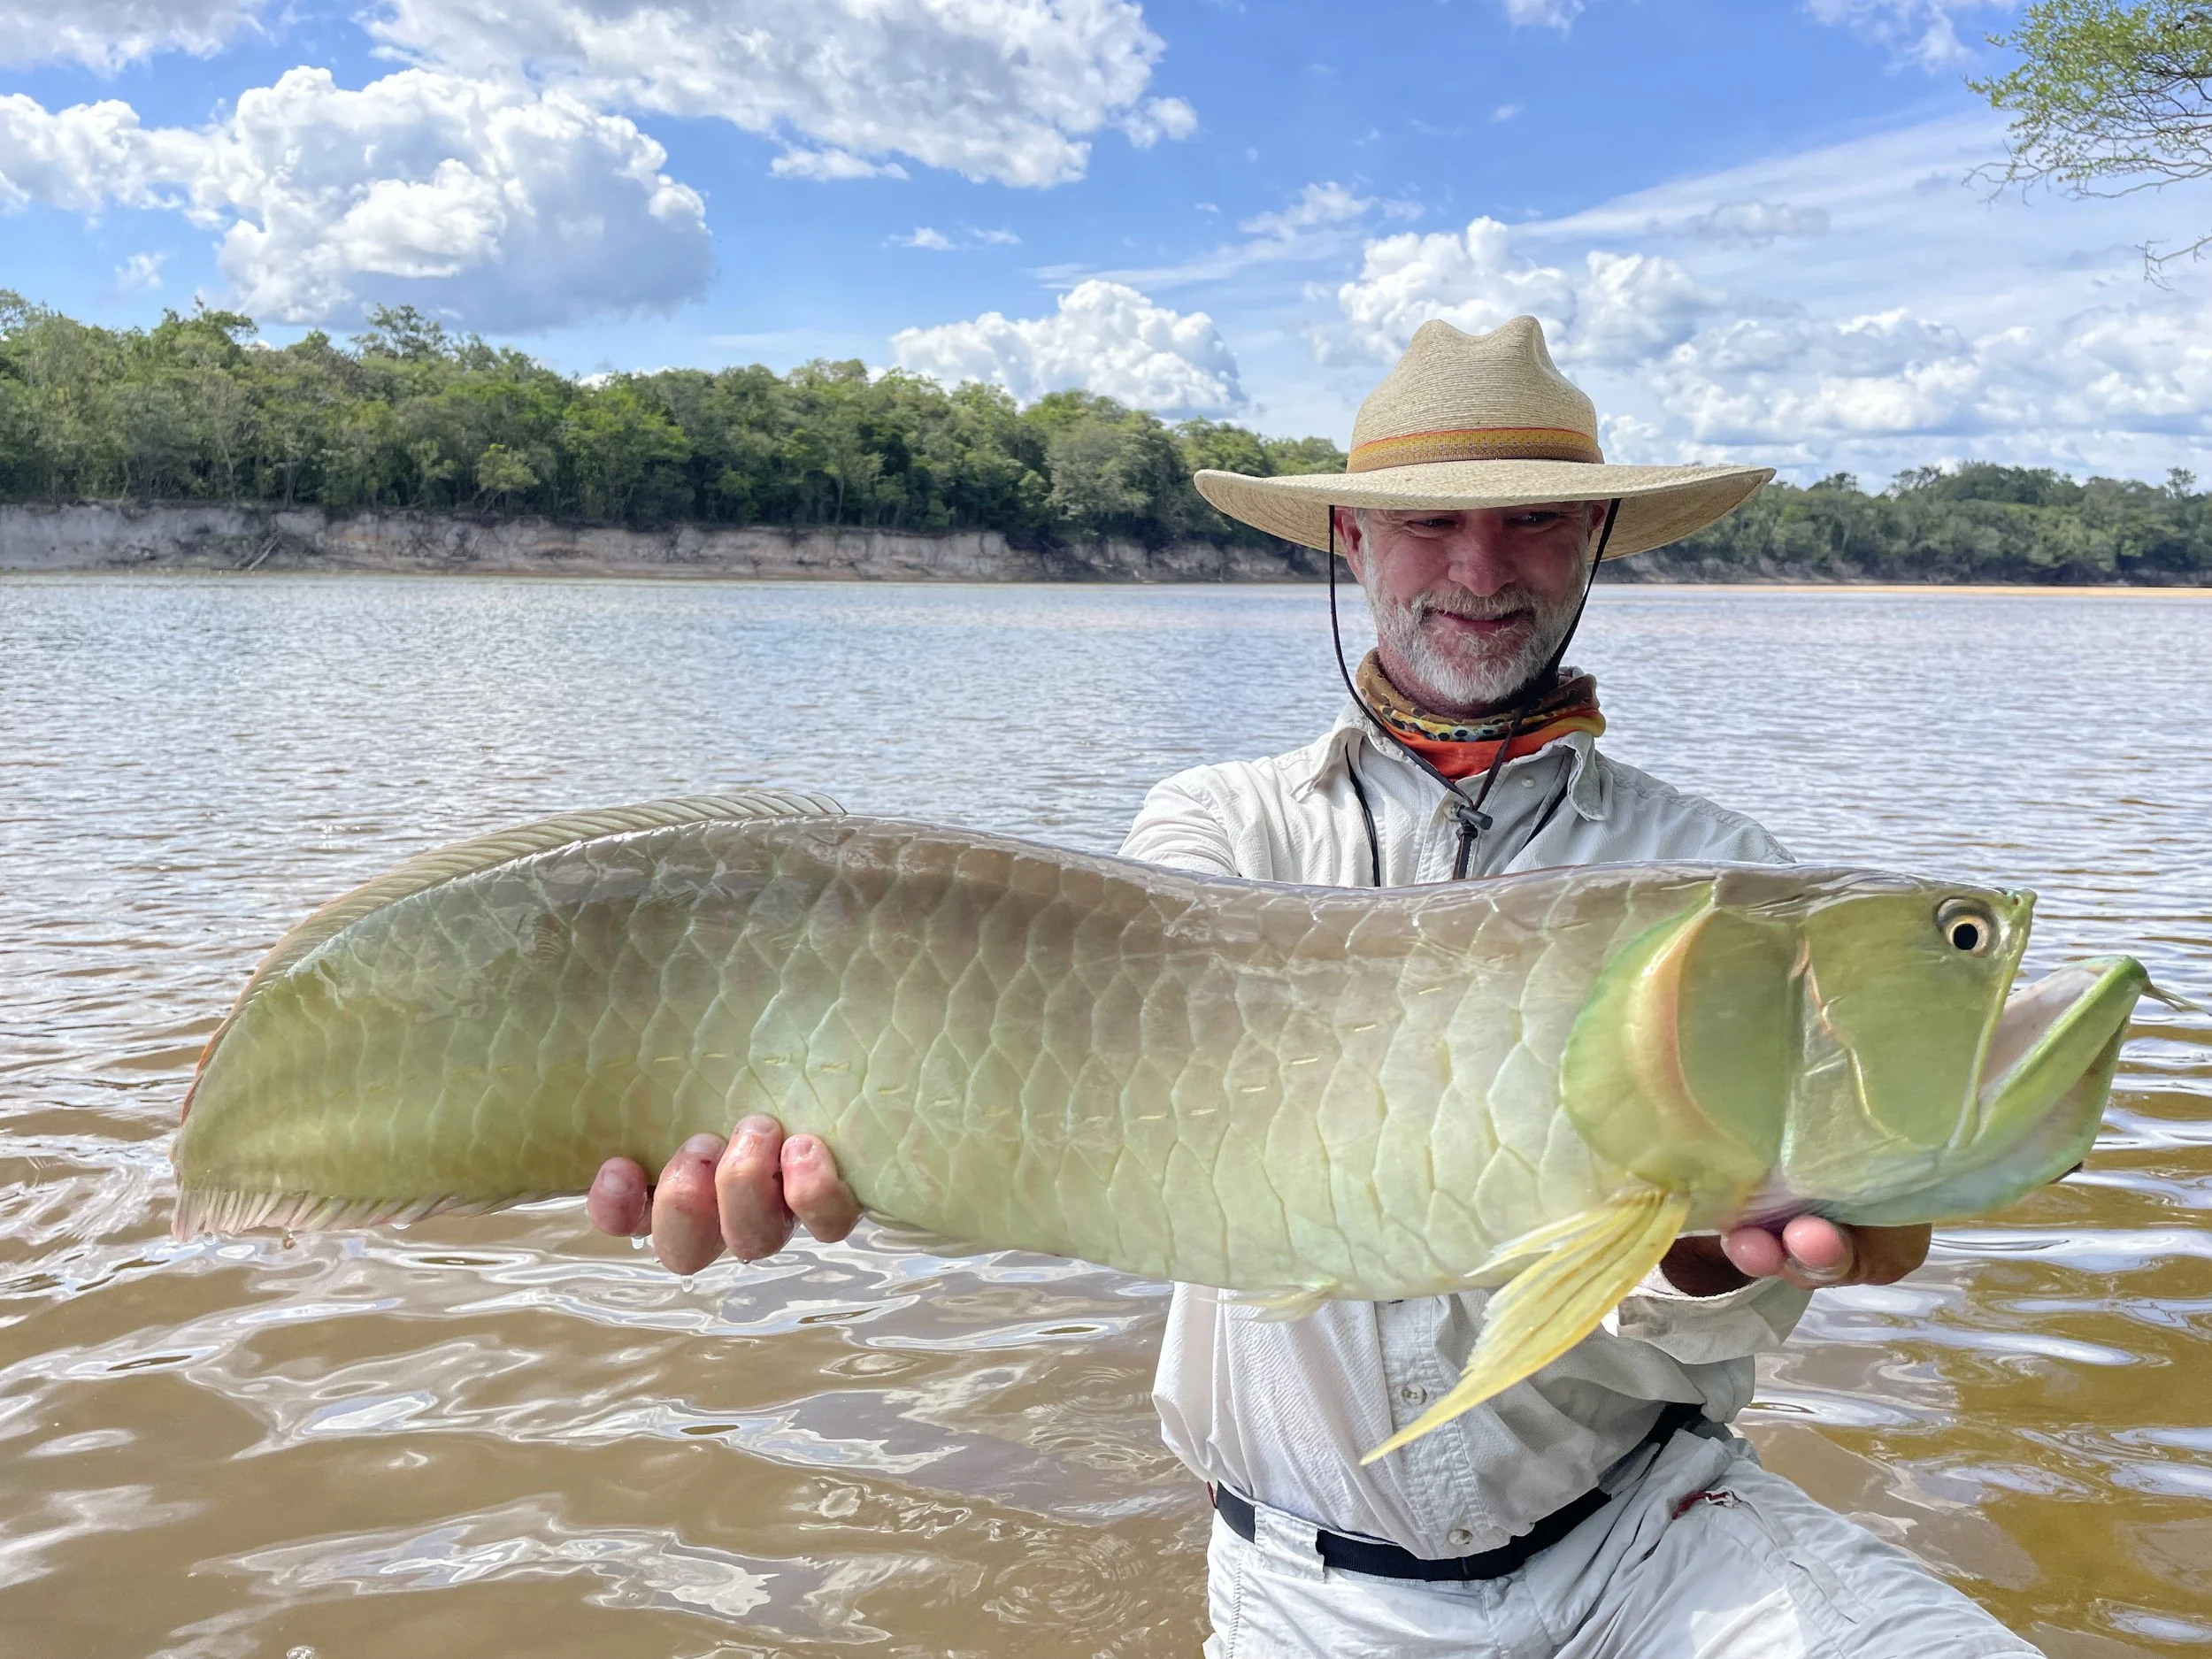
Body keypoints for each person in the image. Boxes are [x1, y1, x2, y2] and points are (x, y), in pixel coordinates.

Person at [584, 318, 2041, 1655]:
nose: (1481, 568)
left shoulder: (1726, 873)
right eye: (1427, 520)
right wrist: (835, 1154)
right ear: (1352, 537)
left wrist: (1717, 1249)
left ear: (1594, 535)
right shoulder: (1213, 832)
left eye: (1532, 514)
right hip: (1299, 1590)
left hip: (1648, 1548)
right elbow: (1079, 1118)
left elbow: (1715, 1316)